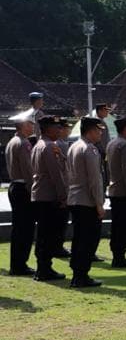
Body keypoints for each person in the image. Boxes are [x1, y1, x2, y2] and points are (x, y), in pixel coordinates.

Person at [66, 117, 106, 288]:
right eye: (98, 131)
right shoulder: (90, 149)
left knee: (79, 238)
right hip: (87, 200)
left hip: (75, 198)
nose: (100, 134)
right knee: (88, 239)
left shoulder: (74, 146)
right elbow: (94, 180)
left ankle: (78, 273)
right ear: (90, 131)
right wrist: (99, 203)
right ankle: (81, 274)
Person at [30, 116, 68, 281]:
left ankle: (43, 267)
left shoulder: (39, 145)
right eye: (56, 127)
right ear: (48, 129)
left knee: (44, 234)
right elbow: (56, 175)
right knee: (48, 234)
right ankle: (44, 269)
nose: (60, 130)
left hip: (41, 195)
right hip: (49, 196)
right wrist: (63, 196)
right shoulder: (49, 146)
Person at [106, 117, 126, 268]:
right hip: (124, 191)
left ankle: (117, 255)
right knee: (125, 226)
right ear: (125, 129)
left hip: (115, 189)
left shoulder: (112, 143)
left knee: (117, 225)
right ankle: (120, 256)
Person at [5, 114, 36, 276]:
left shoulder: (13, 141)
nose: (33, 127)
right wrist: (33, 191)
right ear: (24, 125)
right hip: (23, 188)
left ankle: (17, 264)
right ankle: (19, 265)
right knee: (25, 229)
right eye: (31, 124)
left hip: (15, 186)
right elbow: (28, 170)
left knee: (19, 228)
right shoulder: (24, 143)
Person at [52, 118, 73, 258]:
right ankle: (58, 246)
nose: (68, 131)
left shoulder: (60, 143)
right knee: (60, 220)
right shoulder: (61, 144)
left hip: (62, 186)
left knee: (60, 220)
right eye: (66, 128)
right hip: (63, 186)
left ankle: (57, 245)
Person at [94, 103, 112, 188]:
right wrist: (105, 151)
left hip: (102, 150)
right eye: (105, 110)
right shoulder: (99, 122)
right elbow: (102, 139)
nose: (107, 112)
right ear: (100, 111)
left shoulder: (101, 121)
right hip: (102, 151)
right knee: (103, 172)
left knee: (105, 172)